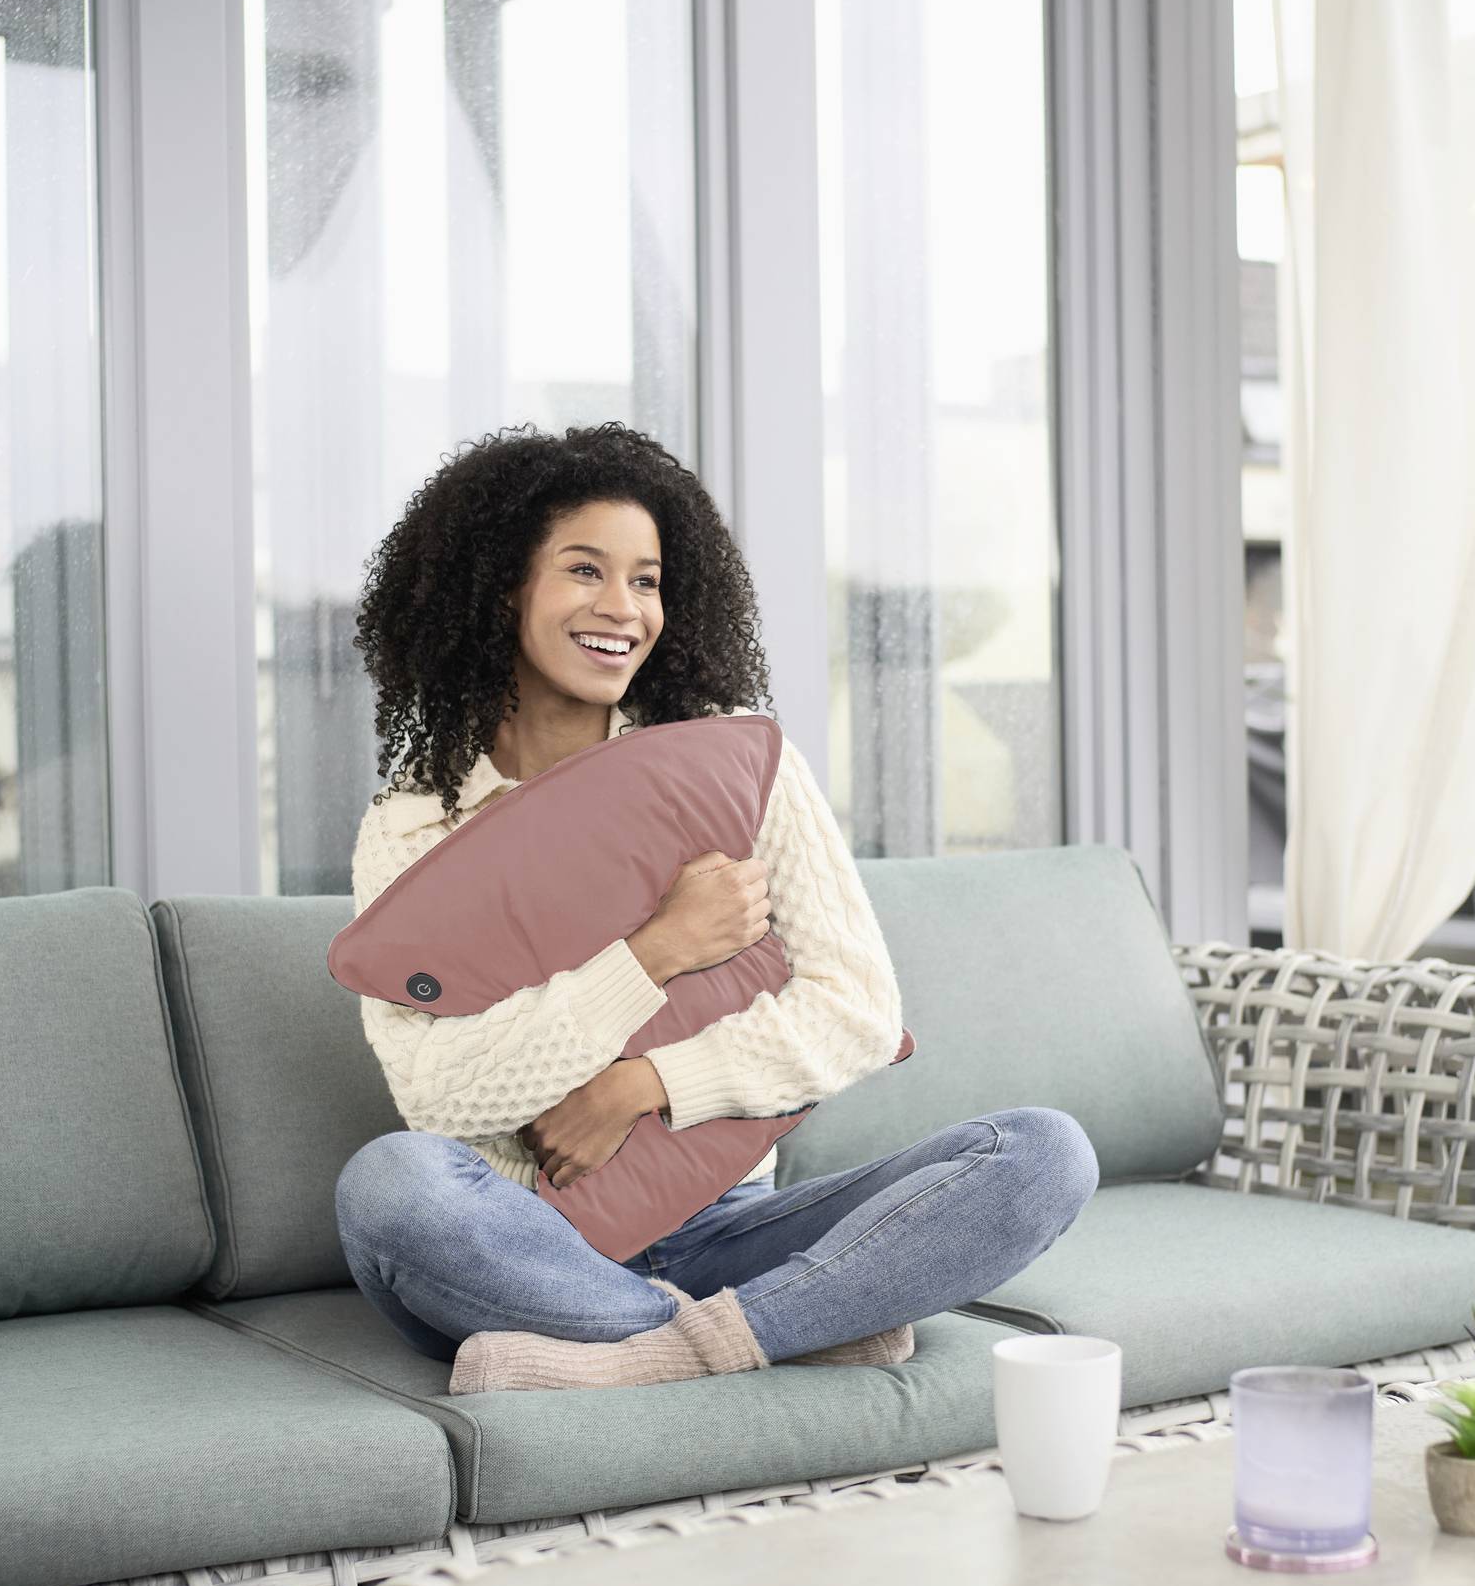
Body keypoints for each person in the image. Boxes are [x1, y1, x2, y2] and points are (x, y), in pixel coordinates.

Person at [334, 424, 1098, 1394]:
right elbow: (438, 1093)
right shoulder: (413, 825)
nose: (623, 608)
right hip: (519, 1238)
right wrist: (652, 952)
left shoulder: (741, 773)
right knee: (389, 1187)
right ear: (500, 591)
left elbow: (857, 1009)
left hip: (727, 1228)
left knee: (1040, 1154)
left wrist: (638, 1084)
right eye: (584, 571)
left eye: (647, 580)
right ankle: (796, 1327)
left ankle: (655, 1355)